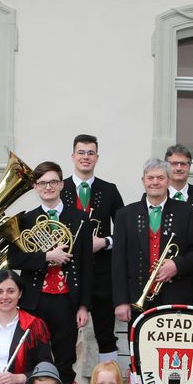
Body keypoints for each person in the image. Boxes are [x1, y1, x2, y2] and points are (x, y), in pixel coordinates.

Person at [8, 161, 91, 384]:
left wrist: (84, 306)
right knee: (32, 355)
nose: (48, 187)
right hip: (36, 298)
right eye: (43, 183)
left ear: (61, 184)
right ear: (35, 187)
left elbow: (87, 265)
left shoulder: (79, 219)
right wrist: (46, 257)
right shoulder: (26, 220)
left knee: (65, 359)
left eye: (53, 182)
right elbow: (14, 259)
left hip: (67, 299)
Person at [112, 159, 193, 321]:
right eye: (150, 178)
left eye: (161, 178)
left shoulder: (188, 212)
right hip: (137, 299)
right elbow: (118, 262)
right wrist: (120, 301)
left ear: (169, 181)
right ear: (143, 181)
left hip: (177, 297)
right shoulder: (125, 215)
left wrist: (177, 265)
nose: (155, 182)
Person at [60, 135, 124, 363]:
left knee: (106, 335)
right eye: (81, 152)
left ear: (97, 157)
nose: (85, 157)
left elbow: (124, 233)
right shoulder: (60, 187)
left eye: (90, 153)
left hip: (101, 276)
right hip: (65, 275)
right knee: (63, 335)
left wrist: (105, 241)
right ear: (73, 156)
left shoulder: (109, 190)